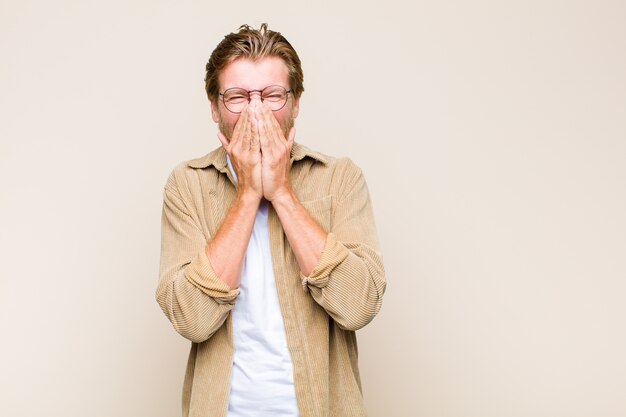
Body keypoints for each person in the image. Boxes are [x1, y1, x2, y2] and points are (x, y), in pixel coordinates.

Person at [156, 23, 386, 417]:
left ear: (295, 103)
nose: (257, 110)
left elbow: (359, 305)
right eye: (238, 96)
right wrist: (248, 193)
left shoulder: (341, 177)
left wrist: (281, 192)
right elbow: (191, 318)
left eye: (272, 95)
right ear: (214, 108)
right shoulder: (187, 185)